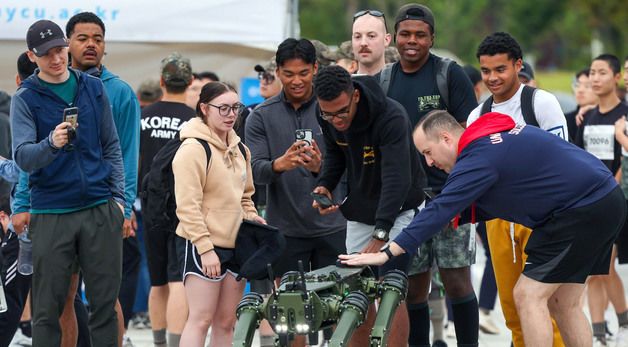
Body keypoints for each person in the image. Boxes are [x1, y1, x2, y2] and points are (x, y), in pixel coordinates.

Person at [342, 110, 627, 347]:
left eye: (428, 152)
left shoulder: (477, 155)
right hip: (600, 200)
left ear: (446, 137)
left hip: (583, 208)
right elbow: (460, 207)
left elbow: (442, 208)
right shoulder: (489, 138)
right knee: (563, 303)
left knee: (528, 295)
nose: (429, 162)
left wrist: (387, 252)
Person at [11, 19, 125, 347]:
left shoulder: (92, 87)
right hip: (51, 212)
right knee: (47, 309)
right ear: (32, 56)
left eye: (60, 49)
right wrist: (51, 143)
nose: (57, 58)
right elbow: (23, 157)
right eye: (47, 54)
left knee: (105, 305)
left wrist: (118, 200)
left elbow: (111, 146)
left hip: (99, 208)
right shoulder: (26, 98)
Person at [382, 4, 479, 347]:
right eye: (405, 34)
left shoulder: (449, 74)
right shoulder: (384, 79)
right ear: (393, 38)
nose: (412, 41)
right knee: (414, 286)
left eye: (420, 35)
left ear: (432, 38)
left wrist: (461, 185)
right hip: (406, 201)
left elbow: (470, 133)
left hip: (449, 195)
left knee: (456, 282)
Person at [312, 65, 425, 346]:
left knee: (391, 288)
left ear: (355, 96)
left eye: (341, 112)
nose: (335, 119)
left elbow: (397, 179)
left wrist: (380, 234)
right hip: (362, 209)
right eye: (328, 113)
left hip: (399, 209)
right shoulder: (325, 113)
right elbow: (337, 154)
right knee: (354, 290)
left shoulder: (391, 116)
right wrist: (325, 182)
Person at [467, 31, 568, 347]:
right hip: (499, 222)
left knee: (550, 309)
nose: (492, 78)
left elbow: (564, 163)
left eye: (500, 69)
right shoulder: (478, 115)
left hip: (544, 220)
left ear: (518, 65)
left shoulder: (541, 103)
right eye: (486, 71)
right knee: (513, 312)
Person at [245, 38, 347, 347]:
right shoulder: (260, 115)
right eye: (288, 73)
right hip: (287, 230)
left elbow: (351, 166)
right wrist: (280, 164)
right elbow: (254, 170)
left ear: (316, 68)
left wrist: (320, 168)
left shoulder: (334, 108)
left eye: (303, 72)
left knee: (339, 314)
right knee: (293, 320)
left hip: (334, 226)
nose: (297, 80)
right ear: (277, 72)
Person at [66, 12, 142, 347]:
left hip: (104, 206)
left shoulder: (120, 92)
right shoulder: (52, 86)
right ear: (67, 43)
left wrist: (123, 208)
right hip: (60, 206)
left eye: (97, 38)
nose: (91, 45)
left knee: (104, 296)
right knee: (61, 297)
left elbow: (128, 154)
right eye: (83, 38)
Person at [174, 82, 264, 346]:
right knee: (200, 319)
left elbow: (246, 196)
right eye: (222, 108)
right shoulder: (192, 149)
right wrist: (205, 248)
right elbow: (187, 206)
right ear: (204, 108)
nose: (230, 114)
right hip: (204, 244)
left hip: (237, 244)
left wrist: (252, 216)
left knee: (226, 322)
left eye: (235, 107)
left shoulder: (240, 149)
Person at [140, 52, 195, 347]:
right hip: (183, 208)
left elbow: (133, 161)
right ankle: (175, 343)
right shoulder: (195, 120)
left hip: (149, 205)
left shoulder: (143, 116)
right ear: (190, 82)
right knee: (179, 280)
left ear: (162, 81)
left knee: (157, 280)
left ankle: (159, 342)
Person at [575, 54, 628, 347]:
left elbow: (625, 161)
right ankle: (600, 332)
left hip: (615, 201)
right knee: (596, 270)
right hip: (590, 201)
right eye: (592, 72)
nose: (595, 78)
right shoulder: (587, 117)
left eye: (602, 72)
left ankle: (620, 322)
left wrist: (610, 189)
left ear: (616, 77)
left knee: (603, 263)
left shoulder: (625, 114)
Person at [351, 9, 391, 75]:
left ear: (386, 40)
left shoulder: (401, 83)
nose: (363, 43)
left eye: (371, 36)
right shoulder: (343, 84)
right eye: (358, 36)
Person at [566, 69, 599, 143]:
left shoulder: (610, 117)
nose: (580, 90)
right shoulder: (566, 120)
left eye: (587, 86)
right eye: (577, 85)